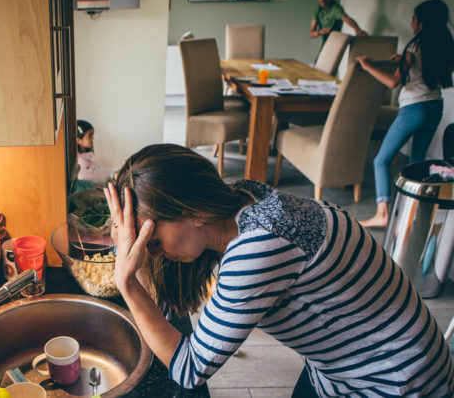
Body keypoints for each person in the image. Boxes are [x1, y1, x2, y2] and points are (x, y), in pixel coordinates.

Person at [103, 143, 453, 396]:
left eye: (151, 241)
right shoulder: (242, 197)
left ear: (194, 212)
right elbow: (161, 315)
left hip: (395, 378)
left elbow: (188, 369)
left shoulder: (256, 250)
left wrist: (126, 280)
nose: (155, 255)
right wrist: (135, 251)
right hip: (338, 366)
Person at [356, 0, 454, 228]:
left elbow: (392, 83)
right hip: (434, 107)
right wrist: (404, 61)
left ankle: (382, 214)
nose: (411, 24)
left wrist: (367, 65)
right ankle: (413, 212)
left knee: (381, 160)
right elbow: (430, 70)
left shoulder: (414, 47)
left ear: (422, 23)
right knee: (417, 161)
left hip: (414, 109)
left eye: (413, 19)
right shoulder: (444, 45)